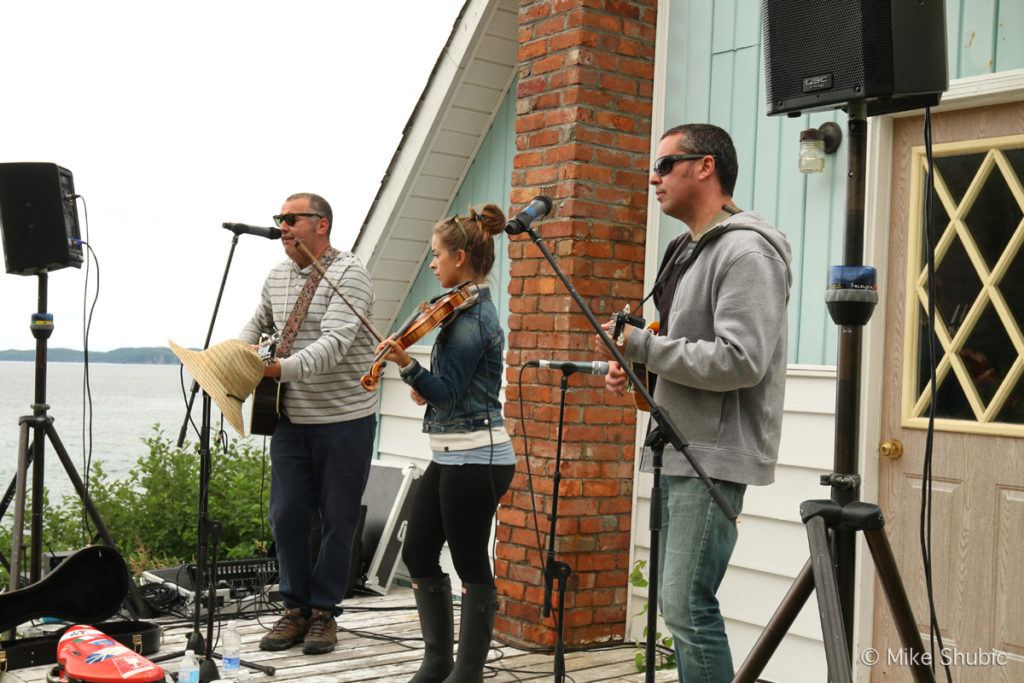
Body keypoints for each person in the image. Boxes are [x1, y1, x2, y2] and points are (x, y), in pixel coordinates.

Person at [595, 124, 792, 682]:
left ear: (705, 167)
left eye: (663, 165)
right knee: (678, 607)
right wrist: (634, 365)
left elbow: (740, 359)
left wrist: (645, 347)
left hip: (713, 454)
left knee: (686, 607)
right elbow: (668, 341)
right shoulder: (683, 249)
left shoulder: (748, 251)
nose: (652, 177)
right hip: (677, 445)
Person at [375, 204, 514, 683]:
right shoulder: (460, 311)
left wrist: (408, 367)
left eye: (436, 255)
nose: (431, 264)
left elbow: (450, 391)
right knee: (418, 551)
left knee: (471, 563)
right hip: (453, 453)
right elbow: (456, 389)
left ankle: (468, 672)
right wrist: (424, 386)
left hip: (479, 458)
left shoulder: (471, 321)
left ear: (459, 257)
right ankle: (438, 661)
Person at [239, 192, 377, 655]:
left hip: (344, 419)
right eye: (278, 218)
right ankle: (293, 607)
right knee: (286, 515)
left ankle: (323, 613)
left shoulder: (349, 274)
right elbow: (255, 325)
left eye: (291, 218)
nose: (281, 225)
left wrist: (279, 369)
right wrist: (235, 358)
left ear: (321, 224)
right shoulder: (276, 276)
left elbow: (334, 344)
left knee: (338, 520)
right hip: (291, 419)